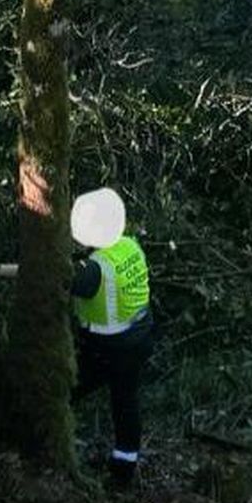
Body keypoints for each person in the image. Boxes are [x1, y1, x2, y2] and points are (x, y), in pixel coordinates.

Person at [69, 189, 153, 486]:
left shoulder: (95, 270)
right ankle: (123, 470)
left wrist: (0, 271)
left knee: (64, 390)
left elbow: (55, 276)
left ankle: (53, 446)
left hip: (108, 349)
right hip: (140, 336)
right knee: (126, 402)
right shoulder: (130, 246)